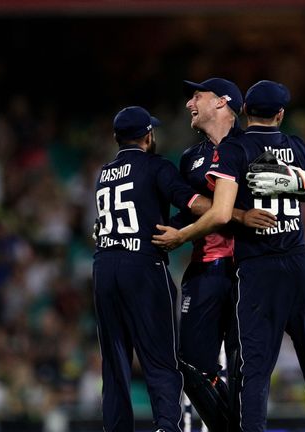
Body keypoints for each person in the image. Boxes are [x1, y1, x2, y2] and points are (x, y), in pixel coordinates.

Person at [153, 80, 305, 431]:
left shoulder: (237, 148)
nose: (189, 103)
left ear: (237, 107)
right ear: (282, 114)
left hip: (251, 266)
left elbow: (222, 211)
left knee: (252, 368)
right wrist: (289, 180)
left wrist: (180, 236)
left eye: (198, 95)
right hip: (291, 260)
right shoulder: (294, 144)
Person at [93, 106, 211, 432]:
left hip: (104, 267)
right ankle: (166, 428)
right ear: (148, 136)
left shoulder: (104, 172)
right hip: (142, 266)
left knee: (114, 365)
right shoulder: (155, 166)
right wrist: (227, 208)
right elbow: (192, 203)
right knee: (161, 360)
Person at [175, 78, 276, 430]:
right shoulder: (190, 157)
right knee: (187, 364)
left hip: (243, 271)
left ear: (222, 102)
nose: (190, 103)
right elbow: (186, 209)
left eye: (196, 96)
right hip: (203, 269)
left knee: (242, 366)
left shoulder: (249, 148)